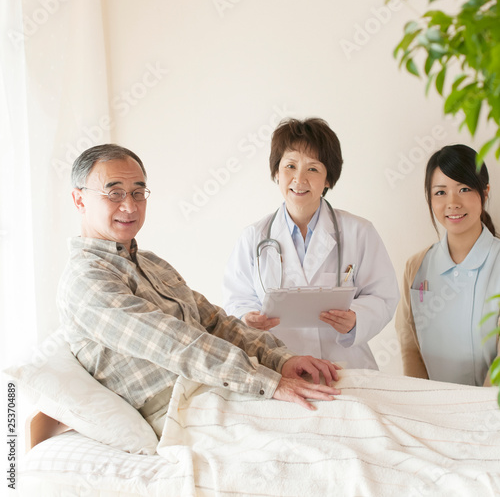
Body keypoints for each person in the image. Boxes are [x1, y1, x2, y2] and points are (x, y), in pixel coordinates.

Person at [56, 144, 342, 437]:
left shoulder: (152, 263)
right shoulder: (85, 279)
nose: (130, 206)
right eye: (114, 193)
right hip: (179, 408)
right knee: (324, 431)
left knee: (342, 409)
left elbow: (216, 323)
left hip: (216, 386)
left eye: (138, 193)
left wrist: (281, 359)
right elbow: (173, 343)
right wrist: (268, 382)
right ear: (80, 200)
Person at [223, 118, 399, 369]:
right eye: (290, 166)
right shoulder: (253, 237)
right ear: (276, 172)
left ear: (328, 179)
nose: (299, 178)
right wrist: (246, 319)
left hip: (346, 367)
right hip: (279, 368)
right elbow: (237, 299)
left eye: (313, 169)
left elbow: (383, 295)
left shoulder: (359, 232)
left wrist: (356, 319)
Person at [396, 144, 500, 386]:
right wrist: (421, 400)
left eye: (464, 189)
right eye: (440, 192)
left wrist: (480, 406)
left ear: (485, 192)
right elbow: (409, 343)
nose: (452, 202)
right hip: (431, 405)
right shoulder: (417, 266)